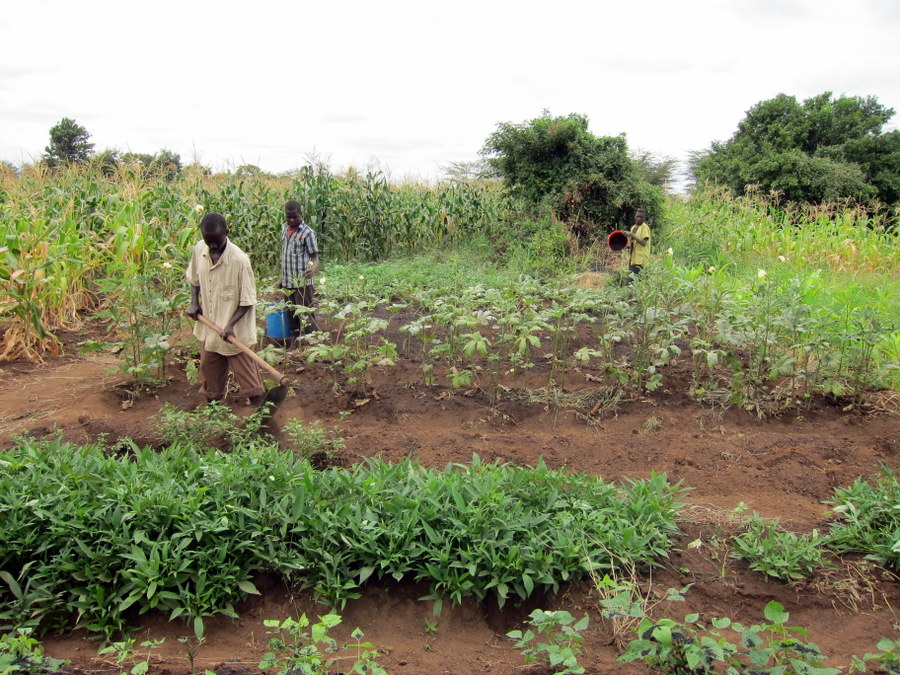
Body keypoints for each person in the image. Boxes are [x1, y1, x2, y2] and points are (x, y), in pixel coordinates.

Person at [186, 212, 265, 406]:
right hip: (211, 329)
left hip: (235, 333)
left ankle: (265, 422)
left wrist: (230, 325)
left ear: (227, 233)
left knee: (252, 386)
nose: (212, 246)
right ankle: (214, 421)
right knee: (210, 381)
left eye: (216, 241)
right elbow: (194, 279)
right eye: (208, 241)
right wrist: (194, 302)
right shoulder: (199, 249)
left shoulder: (239, 260)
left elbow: (247, 300)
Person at [277, 200, 320, 336]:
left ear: (300, 214)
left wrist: (312, 269)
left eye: (295, 216)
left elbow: (314, 257)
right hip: (287, 281)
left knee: (305, 312)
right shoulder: (284, 229)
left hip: (302, 282)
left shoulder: (308, 233)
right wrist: (281, 279)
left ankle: (311, 341)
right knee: (290, 313)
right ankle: (295, 341)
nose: (291, 219)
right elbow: (285, 256)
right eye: (288, 217)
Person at [625, 208, 651, 277]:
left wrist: (631, 234)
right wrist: (627, 246)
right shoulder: (633, 227)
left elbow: (643, 242)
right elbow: (633, 243)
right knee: (633, 283)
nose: (639, 219)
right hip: (633, 259)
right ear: (635, 217)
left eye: (641, 217)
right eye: (637, 216)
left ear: (644, 218)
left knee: (631, 282)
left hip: (641, 260)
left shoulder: (644, 227)